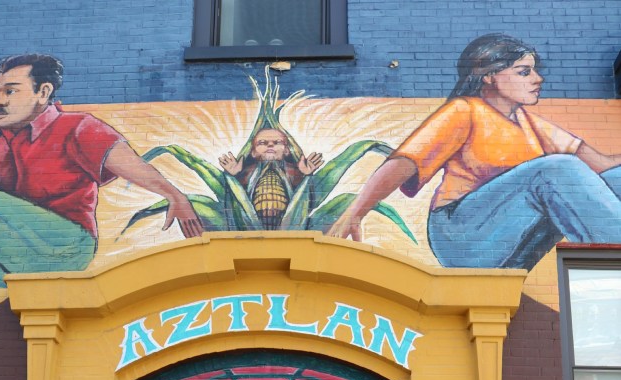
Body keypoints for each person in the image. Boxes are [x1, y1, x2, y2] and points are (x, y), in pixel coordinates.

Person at [329, 33, 621, 270]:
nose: (537, 79)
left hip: (511, 239)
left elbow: (604, 167)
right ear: (489, 76)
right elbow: (404, 162)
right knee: (556, 169)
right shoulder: (464, 110)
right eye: (524, 72)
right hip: (460, 232)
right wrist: (354, 213)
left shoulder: (529, 122)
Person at [0, 54, 202, 287]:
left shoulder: (77, 126)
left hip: (68, 247)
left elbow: (130, 164)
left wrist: (175, 196)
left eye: (10, 91)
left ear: (43, 92)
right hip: (14, 256)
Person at [219, 127, 322, 229]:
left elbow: (304, 197)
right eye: (262, 143)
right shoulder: (247, 172)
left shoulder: (292, 171)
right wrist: (232, 176)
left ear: (286, 150)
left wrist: (306, 175)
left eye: (277, 142)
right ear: (253, 152)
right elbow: (237, 198)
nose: (270, 145)